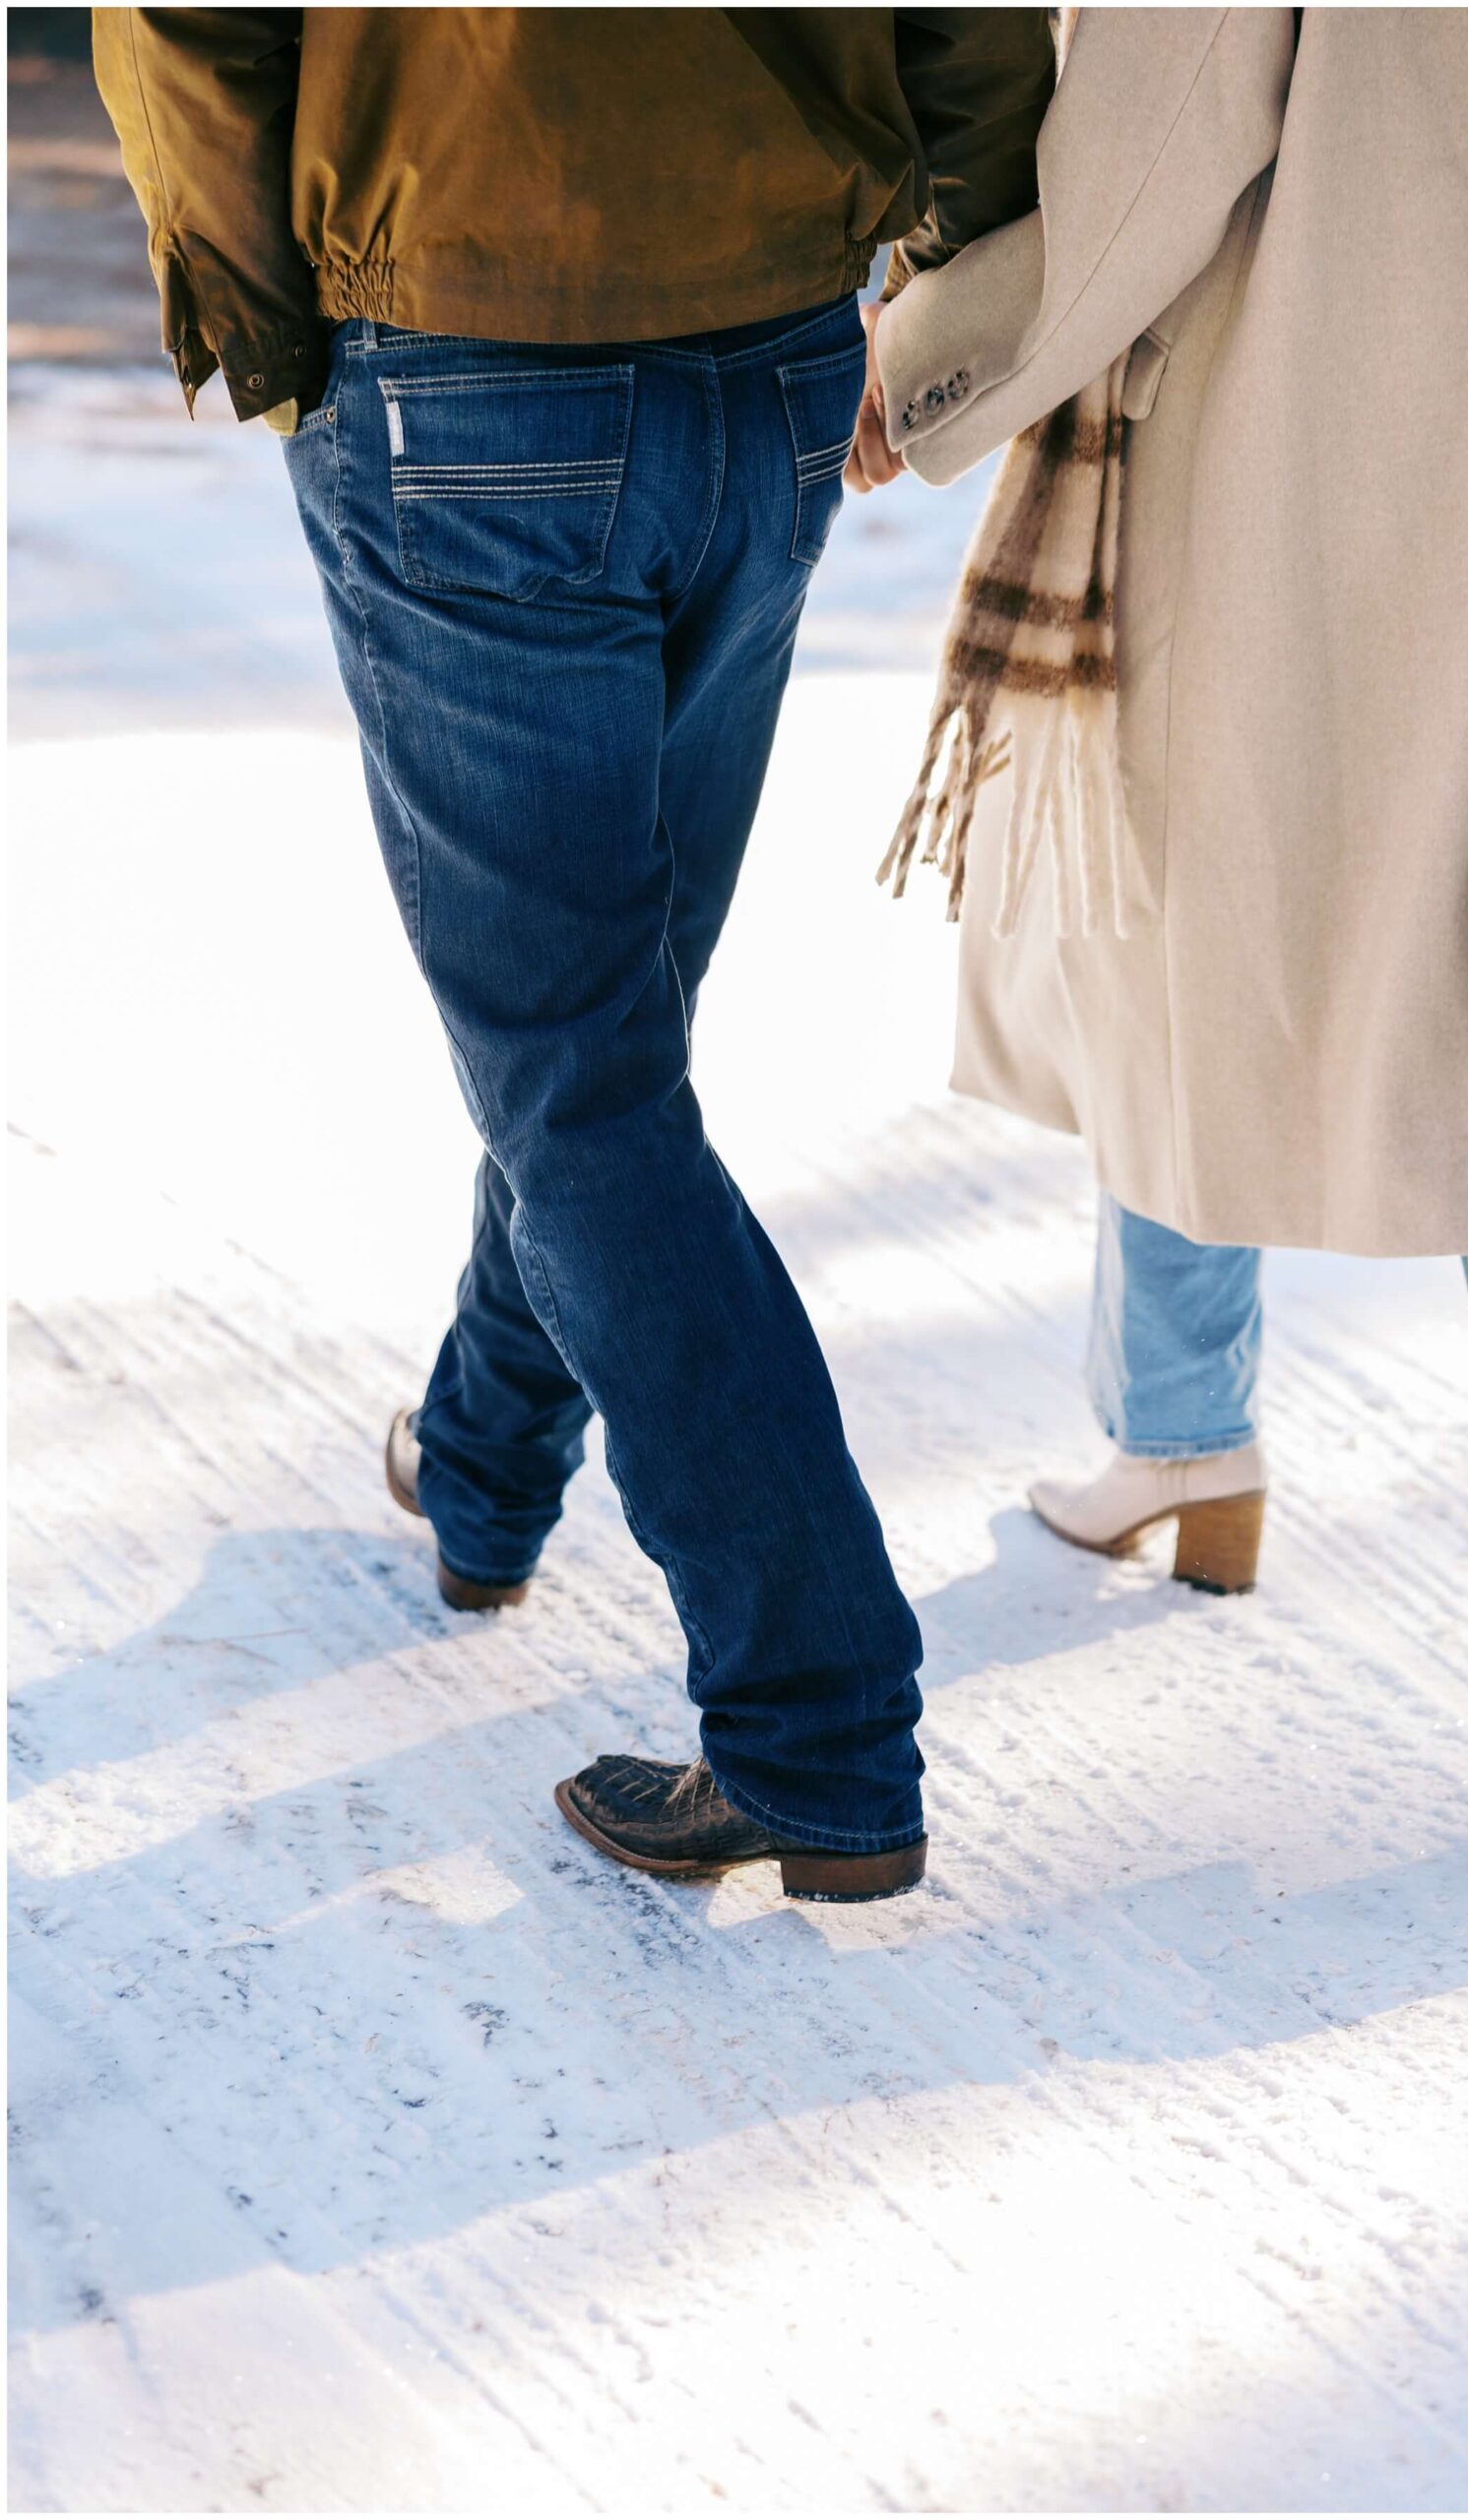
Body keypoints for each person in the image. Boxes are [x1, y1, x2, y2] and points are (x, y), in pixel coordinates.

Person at [94, 5, 1057, 1898]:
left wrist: (290, 347)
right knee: (607, 1042)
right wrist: (946, 256)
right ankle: (479, 1466)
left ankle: (818, 1729)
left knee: (583, 1074)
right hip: (771, 362)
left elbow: (183, 31)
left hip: (470, 358)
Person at [855, 7, 1468, 1786]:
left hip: (1303, 489)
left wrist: (920, 362)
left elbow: (1144, 169)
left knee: (1364, 995)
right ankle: (1175, 1435)